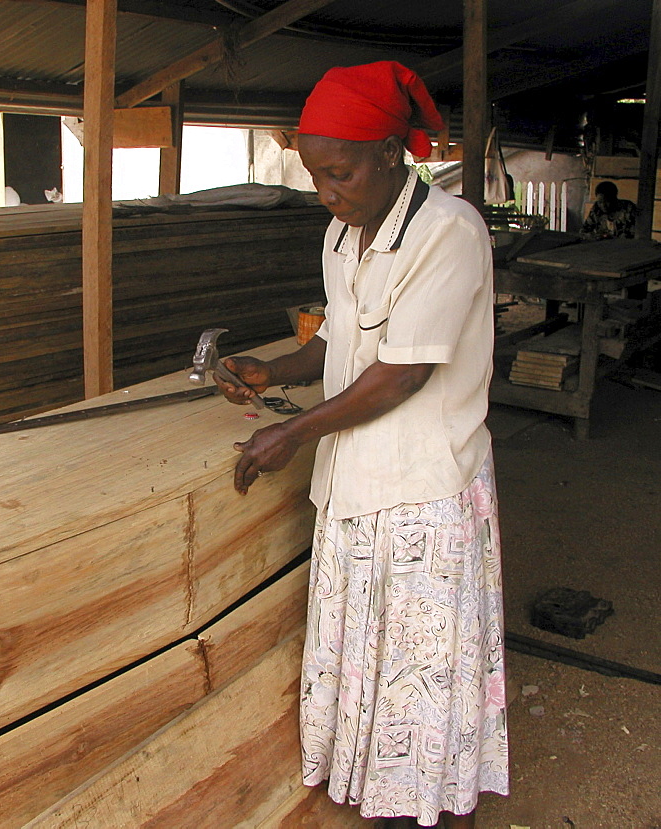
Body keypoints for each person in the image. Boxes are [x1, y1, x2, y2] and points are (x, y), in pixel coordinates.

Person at [215, 61, 508, 828]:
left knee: (424, 679)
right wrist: (271, 367)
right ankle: (385, 797)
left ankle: (437, 808)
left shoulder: (448, 232)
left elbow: (402, 374)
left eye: (338, 172)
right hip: (354, 490)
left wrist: (296, 430)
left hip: (421, 500)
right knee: (373, 668)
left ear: (388, 152)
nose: (325, 192)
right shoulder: (342, 236)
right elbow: (343, 343)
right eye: (314, 175)